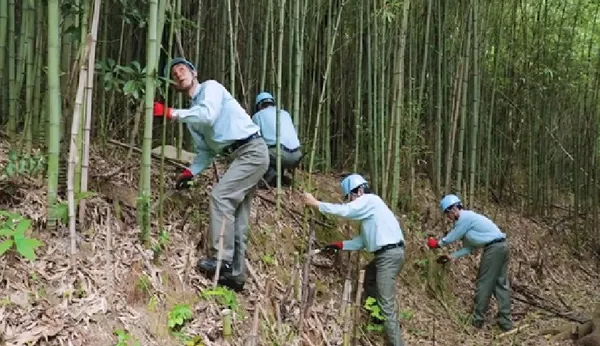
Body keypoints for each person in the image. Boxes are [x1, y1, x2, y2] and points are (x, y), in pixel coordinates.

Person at [152, 57, 269, 292]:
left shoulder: (211, 89)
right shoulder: (192, 119)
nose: (178, 74)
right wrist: (190, 172)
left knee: (220, 197)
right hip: (239, 156)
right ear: (174, 86)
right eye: (174, 75)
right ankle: (235, 275)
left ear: (194, 72)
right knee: (238, 215)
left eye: (182, 69)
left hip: (252, 151)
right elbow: (206, 151)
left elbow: (208, 115)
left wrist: (171, 113)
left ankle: (221, 260)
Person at [303, 174, 406, 346]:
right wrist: (339, 245)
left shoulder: (370, 200)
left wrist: (316, 204)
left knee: (387, 305)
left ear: (358, 191)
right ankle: (379, 317)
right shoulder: (371, 213)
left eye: (349, 197)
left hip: (388, 257)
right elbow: (362, 242)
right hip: (389, 255)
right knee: (368, 280)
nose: (349, 202)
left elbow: (346, 211)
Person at [427, 194, 513, 331]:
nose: (448, 217)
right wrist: (451, 256)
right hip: (501, 247)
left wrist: (437, 244)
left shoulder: (465, 218)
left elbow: (453, 236)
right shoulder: (469, 222)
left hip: (494, 249)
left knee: (483, 283)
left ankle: (477, 321)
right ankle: (506, 322)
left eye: (447, 213)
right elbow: (470, 247)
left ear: (453, 209)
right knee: (499, 284)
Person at [251, 92, 302, 188]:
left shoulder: (257, 116)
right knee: (275, 148)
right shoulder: (285, 113)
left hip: (280, 154)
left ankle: (268, 176)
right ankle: (279, 178)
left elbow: (255, 139)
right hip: (297, 155)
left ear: (259, 105)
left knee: (257, 149)